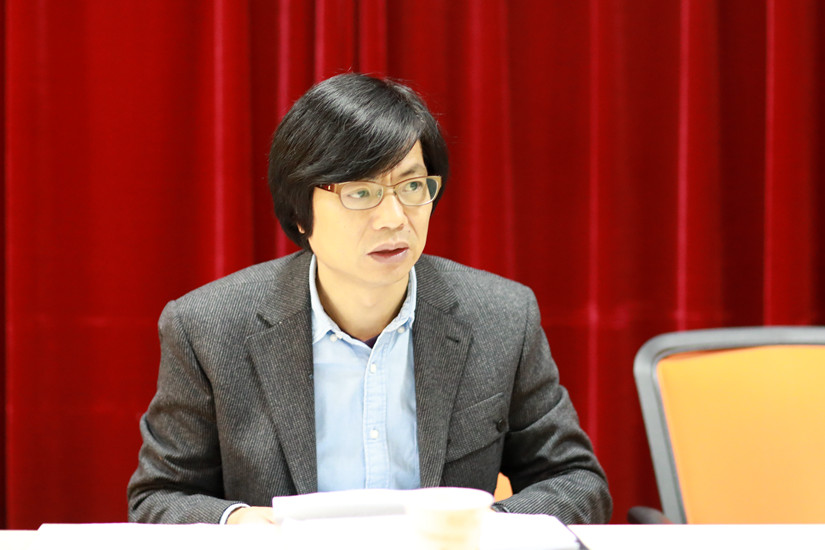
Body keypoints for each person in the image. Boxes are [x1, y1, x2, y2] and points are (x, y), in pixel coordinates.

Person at [127, 73, 612, 525]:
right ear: (300, 213)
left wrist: (482, 530)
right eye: (362, 192)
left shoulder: (501, 317)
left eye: (412, 186)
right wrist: (237, 523)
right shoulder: (208, 328)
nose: (395, 218)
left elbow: (575, 480)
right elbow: (160, 495)